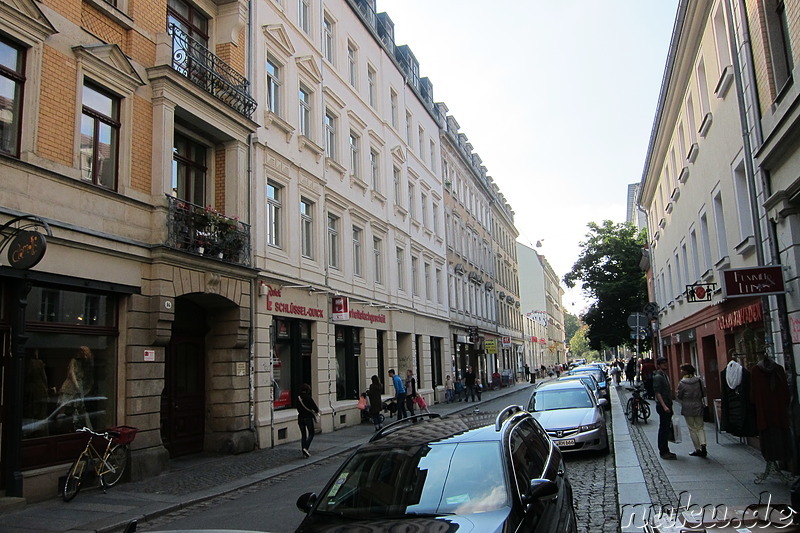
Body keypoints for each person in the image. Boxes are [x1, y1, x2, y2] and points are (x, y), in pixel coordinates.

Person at [58, 346, 95, 429]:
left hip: (79, 387)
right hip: (70, 387)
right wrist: (77, 387)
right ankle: (59, 429)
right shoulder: (73, 361)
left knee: (79, 409)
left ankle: (84, 428)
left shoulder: (83, 364)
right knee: (63, 409)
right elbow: (72, 374)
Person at [676, 364, 707, 458]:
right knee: (700, 427)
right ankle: (703, 445)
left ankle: (697, 449)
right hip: (698, 405)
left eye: (682, 370)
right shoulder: (698, 380)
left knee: (692, 428)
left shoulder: (682, 383)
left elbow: (679, 396)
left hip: (687, 406)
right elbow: (703, 393)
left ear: (685, 371)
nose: (681, 371)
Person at [652, 357, 677, 460]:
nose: (665, 365)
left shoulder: (664, 375)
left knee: (665, 428)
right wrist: (664, 406)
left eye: (666, 363)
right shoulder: (658, 377)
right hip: (663, 405)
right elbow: (658, 393)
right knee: (663, 429)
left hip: (667, 404)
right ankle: (663, 451)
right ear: (658, 365)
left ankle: (665, 450)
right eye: (663, 363)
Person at [296, 383, 320, 458]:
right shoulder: (308, 398)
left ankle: (304, 452)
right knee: (311, 433)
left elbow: (297, 408)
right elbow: (316, 408)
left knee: (303, 435)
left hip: (300, 418)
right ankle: (305, 448)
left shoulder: (298, 398)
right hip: (308, 418)